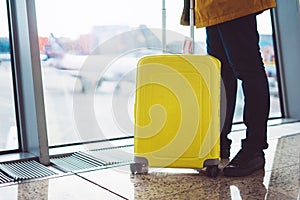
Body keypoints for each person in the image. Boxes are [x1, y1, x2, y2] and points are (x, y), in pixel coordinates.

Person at [181, 0, 276, 177]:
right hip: (211, 7)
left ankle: (254, 149)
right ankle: (219, 143)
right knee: (222, 76)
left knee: (249, 71)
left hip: (232, 4)